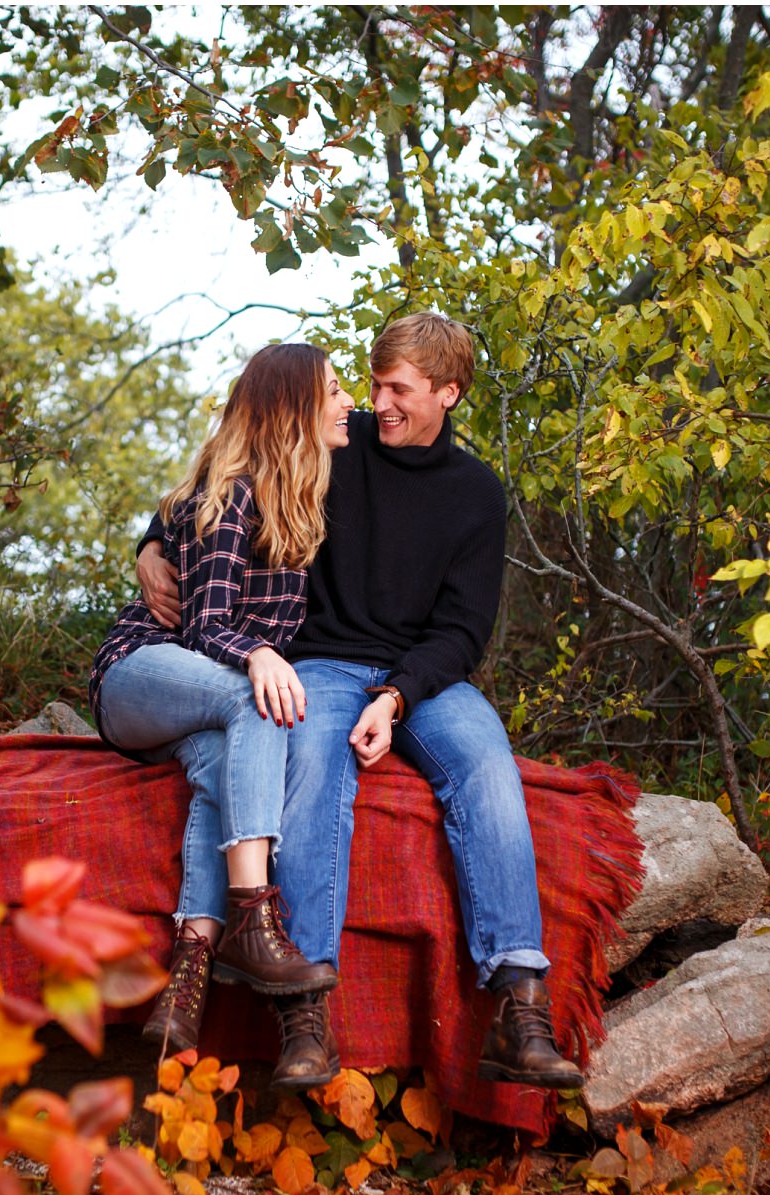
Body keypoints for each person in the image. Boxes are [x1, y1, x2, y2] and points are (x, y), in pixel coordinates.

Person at [137, 313, 582, 1092]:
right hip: (323, 665)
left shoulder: (477, 492)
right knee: (310, 759)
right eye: (373, 383)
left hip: (426, 678)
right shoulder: (339, 447)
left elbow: (464, 628)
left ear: (449, 393)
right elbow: (237, 464)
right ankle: (303, 1015)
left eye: (399, 389)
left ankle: (521, 1005)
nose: (379, 402)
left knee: (486, 763)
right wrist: (149, 543)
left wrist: (400, 697)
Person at [91, 342, 355, 1059]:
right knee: (255, 701)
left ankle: (187, 979)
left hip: (197, 706)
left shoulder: (301, 490)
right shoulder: (233, 489)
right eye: (334, 390)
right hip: (142, 675)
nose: (349, 402)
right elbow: (207, 626)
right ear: (297, 405)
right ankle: (253, 922)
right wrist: (261, 652)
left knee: (221, 773)